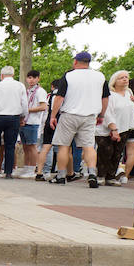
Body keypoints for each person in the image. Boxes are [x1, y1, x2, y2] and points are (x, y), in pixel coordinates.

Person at [47, 51, 109, 187]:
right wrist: (102, 115)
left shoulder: (69, 76)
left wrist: (53, 115)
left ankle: (61, 175)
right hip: (90, 116)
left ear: (75, 61)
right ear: (88, 62)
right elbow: (105, 98)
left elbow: (59, 97)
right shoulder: (100, 76)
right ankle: (92, 174)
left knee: (63, 145)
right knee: (88, 146)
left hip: (69, 114)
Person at [0, 66, 27, 177]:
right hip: (13, 117)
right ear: (13, 75)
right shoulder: (20, 86)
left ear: (1, 75)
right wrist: (23, 117)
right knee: (10, 145)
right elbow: (24, 104)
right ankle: (8, 172)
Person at [94, 71, 134, 185]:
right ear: (114, 81)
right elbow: (107, 112)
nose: (125, 79)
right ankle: (101, 175)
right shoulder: (110, 95)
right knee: (106, 151)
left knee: (117, 153)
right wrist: (113, 128)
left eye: (126, 77)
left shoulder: (128, 93)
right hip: (107, 128)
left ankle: (111, 176)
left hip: (125, 127)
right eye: (121, 78)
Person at [21, 70, 48, 174]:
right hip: (24, 121)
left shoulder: (40, 91)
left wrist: (27, 110)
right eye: (29, 78)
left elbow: (43, 106)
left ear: (38, 79)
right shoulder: (27, 90)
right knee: (25, 146)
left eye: (34, 77)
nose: (31, 80)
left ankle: (33, 169)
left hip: (33, 122)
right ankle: (27, 167)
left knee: (32, 146)